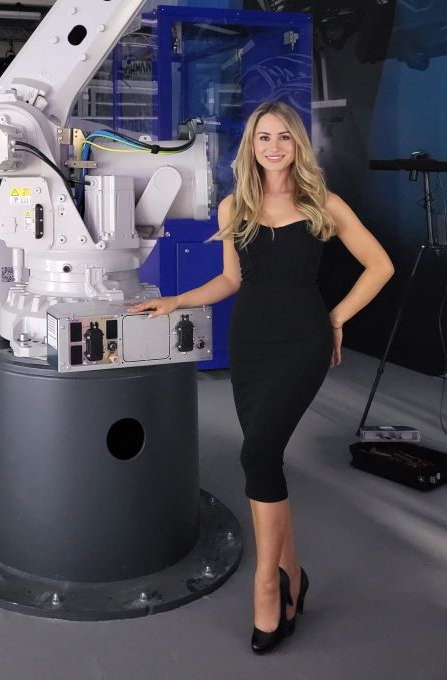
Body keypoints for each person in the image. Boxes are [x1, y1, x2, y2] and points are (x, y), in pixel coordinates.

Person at [129, 100, 394, 654]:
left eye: (284, 137)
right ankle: (294, 575)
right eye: (263, 137)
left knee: (257, 455)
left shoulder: (322, 202)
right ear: (251, 145)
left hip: (303, 343)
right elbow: (231, 280)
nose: (274, 147)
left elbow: (380, 266)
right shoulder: (236, 206)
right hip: (249, 344)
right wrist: (177, 300)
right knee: (265, 460)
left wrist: (337, 319)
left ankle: (267, 584)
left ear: (299, 144)